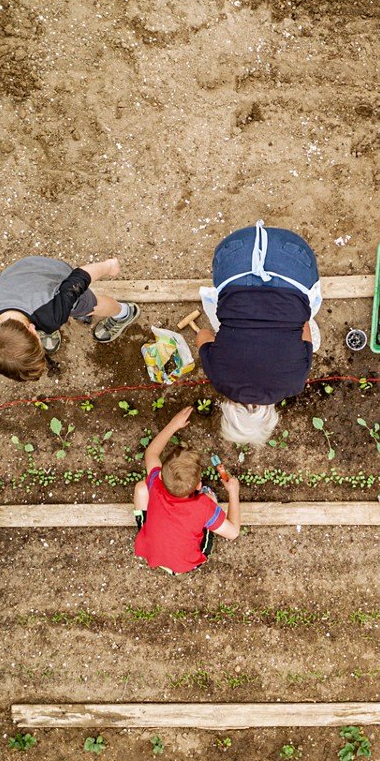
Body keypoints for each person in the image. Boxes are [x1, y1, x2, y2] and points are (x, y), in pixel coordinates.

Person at [194, 222, 320, 445]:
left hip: (293, 254)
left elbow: (305, 326)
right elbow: (203, 334)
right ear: (230, 410)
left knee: (309, 304)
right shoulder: (219, 378)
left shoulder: (294, 383)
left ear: (269, 416)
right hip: (235, 251)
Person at [0, 254, 141, 381]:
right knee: (47, 320)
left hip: (55, 275)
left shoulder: (53, 314)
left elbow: (80, 278)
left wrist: (109, 266)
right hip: (22, 268)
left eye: (38, 340)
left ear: (33, 330)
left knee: (91, 305)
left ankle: (124, 313)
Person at [133, 407, 241, 575]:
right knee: (211, 498)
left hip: (152, 553)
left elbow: (151, 452)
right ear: (198, 486)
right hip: (186, 563)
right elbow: (233, 532)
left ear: (161, 475)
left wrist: (174, 424)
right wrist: (233, 492)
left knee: (141, 488)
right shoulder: (204, 505)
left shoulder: (155, 483)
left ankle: (151, 534)